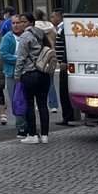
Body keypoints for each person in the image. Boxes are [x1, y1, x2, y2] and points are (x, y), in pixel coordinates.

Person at [16, 10, 53, 144]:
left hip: (30, 72)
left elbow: (21, 57)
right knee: (43, 105)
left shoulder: (25, 36)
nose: (21, 24)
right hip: (43, 72)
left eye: (24, 22)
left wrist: (17, 74)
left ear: (31, 22)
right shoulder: (41, 33)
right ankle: (45, 134)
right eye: (20, 22)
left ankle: (32, 134)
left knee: (30, 105)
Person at [51, 10, 75, 126]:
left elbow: (67, 45)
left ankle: (67, 116)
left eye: (53, 16)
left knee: (64, 91)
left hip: (65, 64)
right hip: (65, 63)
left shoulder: (63, 28)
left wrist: (64, 60)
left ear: (59, 17)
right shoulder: (62, 28)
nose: (51, 19)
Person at [34, 8, 61, 112]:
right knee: (50, 81)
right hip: (50, 55)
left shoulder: (34, 27)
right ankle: (53, 105)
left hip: (39, 56)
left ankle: (40, 103)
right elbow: (56, 39)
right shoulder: (51, 26)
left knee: (38, 82)